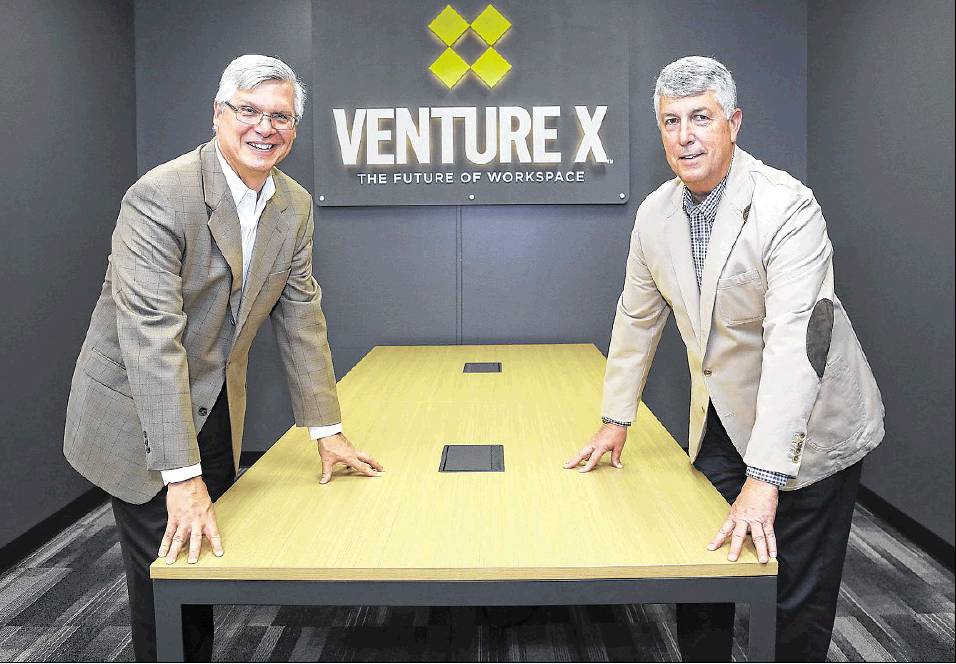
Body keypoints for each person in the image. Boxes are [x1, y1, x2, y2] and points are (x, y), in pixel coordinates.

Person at [63, 54, 383, 662]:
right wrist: (180, 478)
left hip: (212, 400)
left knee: (200, 560)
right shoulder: (159, 196)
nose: (265, 128)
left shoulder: (293, 205)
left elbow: (300, 317)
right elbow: (152, 338)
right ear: (218, 114)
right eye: (249, 111)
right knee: (168, 562)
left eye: (281, 117)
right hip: (139, 408)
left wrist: (327, 430)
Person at [564, 56, 884, 661]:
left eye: (700, 118)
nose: (685, 136)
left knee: (793, 592)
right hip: (721, 416)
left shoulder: (788, 207)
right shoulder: (654, 215)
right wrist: (616, 417)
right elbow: (637, 316)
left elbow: (797, 346)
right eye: (670, 121)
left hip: (813, 422)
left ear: (733, 123)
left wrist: (766, 477)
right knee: (701, 564)